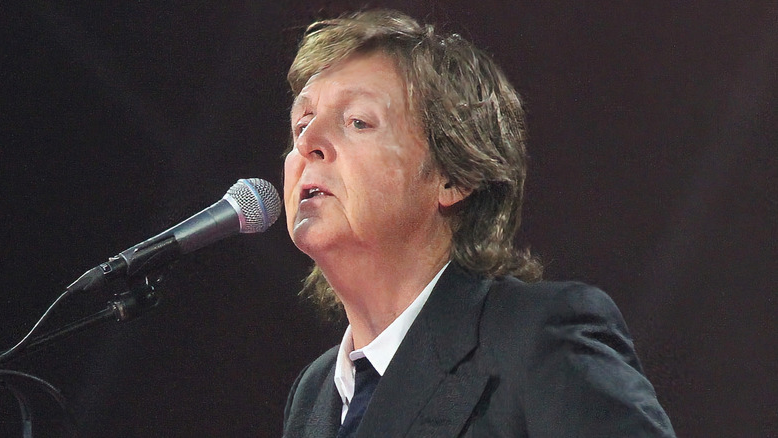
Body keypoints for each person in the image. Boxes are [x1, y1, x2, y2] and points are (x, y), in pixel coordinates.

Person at [281, 9, 675, 438]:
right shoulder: (314, 395)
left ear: (453, 176)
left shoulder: (537, 339)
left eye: (358, 121)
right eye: (302, 123)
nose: (307, 142)